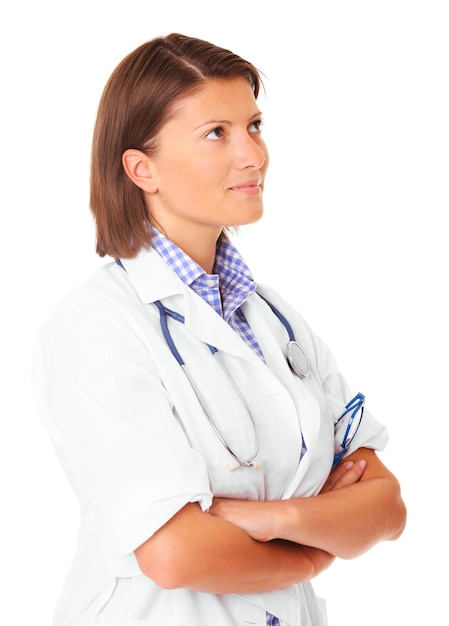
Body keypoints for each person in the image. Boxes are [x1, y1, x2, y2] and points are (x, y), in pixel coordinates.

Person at [32, 33, 406, 626]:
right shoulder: (96, 327)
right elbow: (175, 553)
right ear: (141, 168)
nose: (253, 155)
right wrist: (315, 549)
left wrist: (274, 521)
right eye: (217, 133)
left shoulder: (275, 317)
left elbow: (385, 507)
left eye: (254, 126)